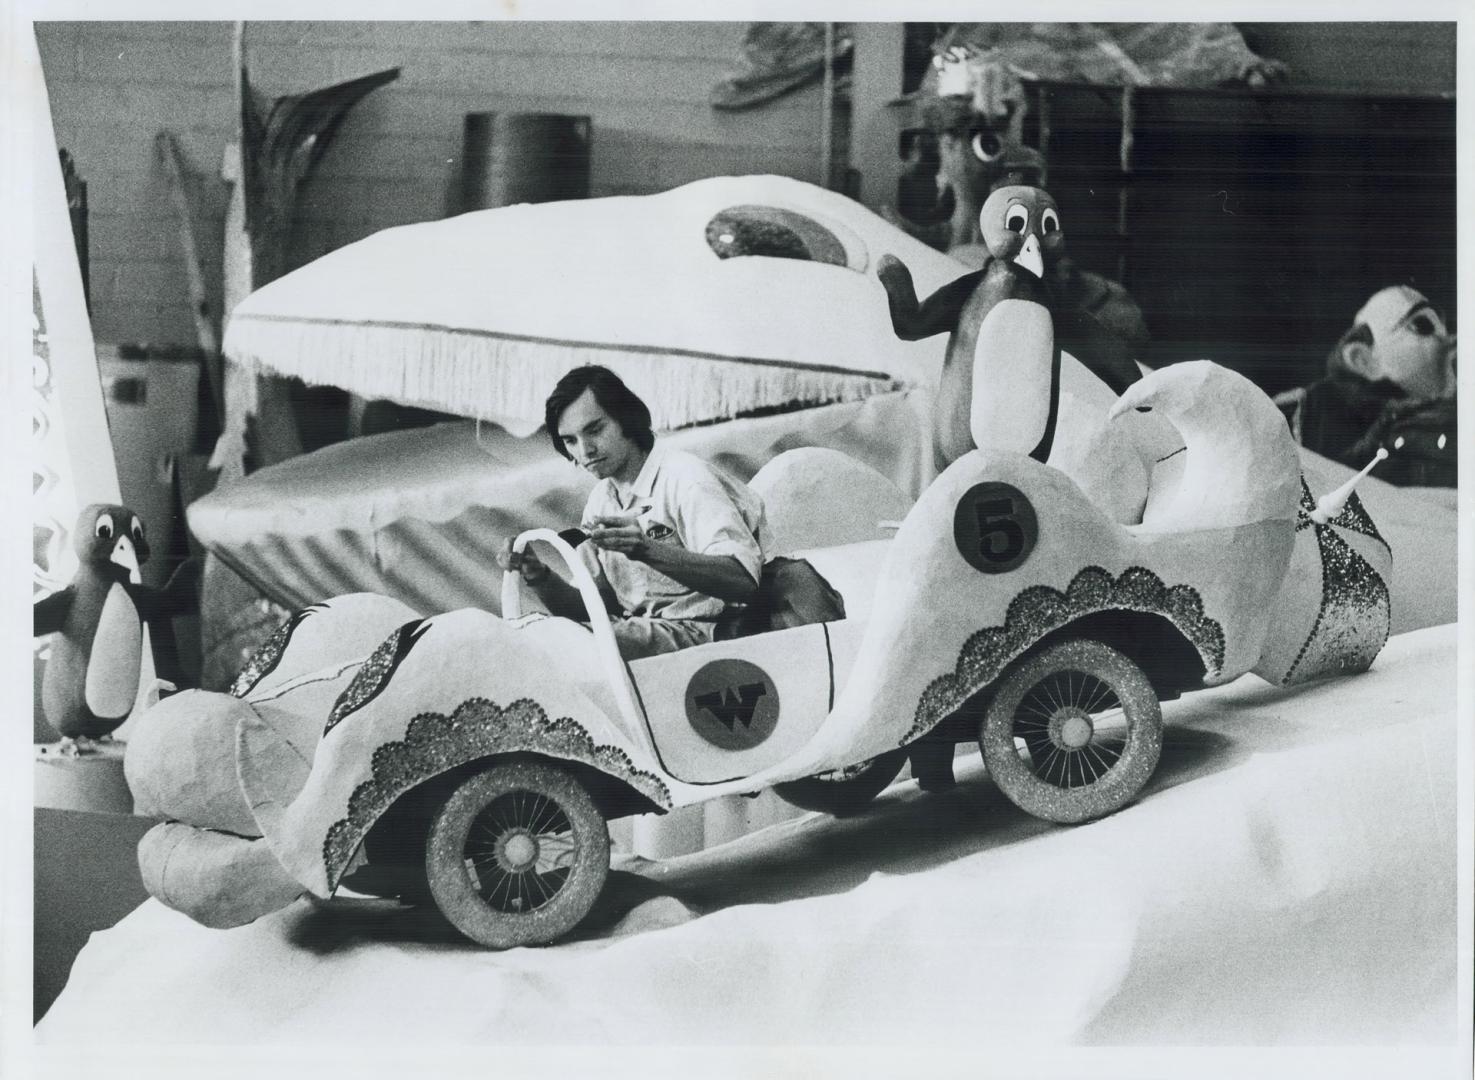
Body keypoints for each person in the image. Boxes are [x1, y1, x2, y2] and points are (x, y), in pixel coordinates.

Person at [498, 365, 766, 660]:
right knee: (549, 638)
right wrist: (539, 576)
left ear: (626, 418)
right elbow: (599, 606)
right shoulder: (602, 499)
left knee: (576, 647)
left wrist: (646, 550)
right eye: (570, 440)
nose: (584, 450)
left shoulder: (686, 478)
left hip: (715, 637)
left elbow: (744, 582)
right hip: (648, 634)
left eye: (595, 430)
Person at [1275, 285, 1457, 487]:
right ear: (1364, 360)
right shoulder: (1309, 414)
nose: (1450, 339)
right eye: (1422, 325)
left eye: (1445, 328)